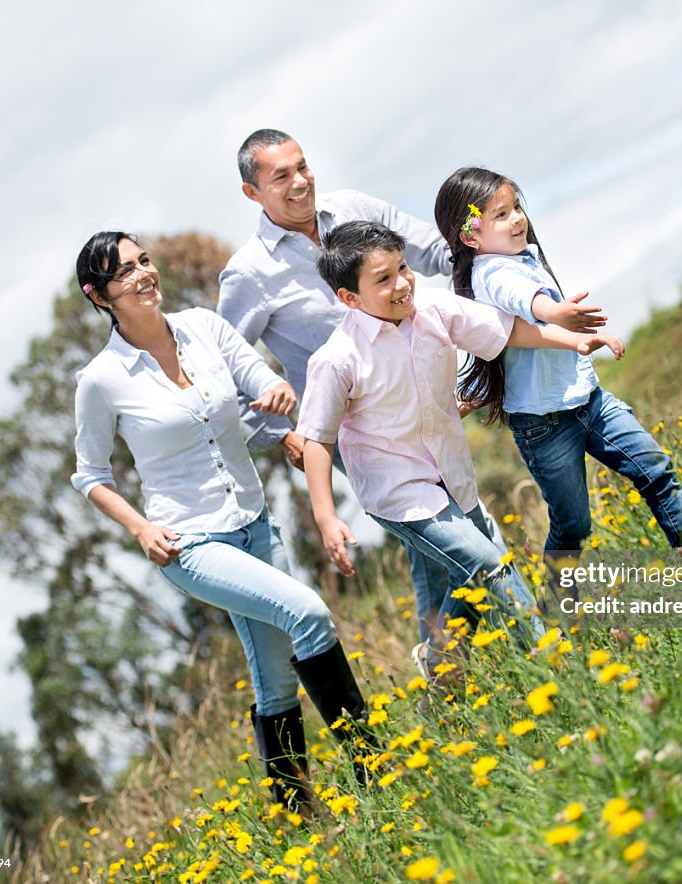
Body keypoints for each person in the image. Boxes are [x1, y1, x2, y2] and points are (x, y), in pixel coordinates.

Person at [70, 231, 376, 810]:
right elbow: (89, 474)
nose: (144, 275)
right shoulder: (101, 379)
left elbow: (258, 378)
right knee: (308, 614)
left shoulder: (204, 328)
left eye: (144, 261)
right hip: (191, 542)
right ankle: (375, 769)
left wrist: (278, 391)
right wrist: (140, 528)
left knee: (276, 675)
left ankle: (296, 812)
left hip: (255, 522)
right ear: (100, 295)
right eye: (125, 272)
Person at [295, 221, 625, 675]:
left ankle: (440, 662)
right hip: (400, 492)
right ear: (350, 299)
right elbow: (317, 438)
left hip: (451, 471)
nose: (402, 284)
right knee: (490, 563)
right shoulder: (337, 358)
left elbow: (504, 331)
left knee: (465, 571)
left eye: (403, 268)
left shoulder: (432, 307)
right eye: (383, 279)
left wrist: (574, 340)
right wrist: (326, 517)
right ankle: (557, 661)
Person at [216, 128, 501, 647]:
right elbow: (224, 369)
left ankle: (448, 662)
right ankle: (472, 650)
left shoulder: (353, 208)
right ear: (252, 192)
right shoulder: (249, 274)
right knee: (434, 528)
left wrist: (495, 243)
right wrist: (282, 436)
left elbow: (434, 251)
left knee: (445, 531)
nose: (300, 182)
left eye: (302, 167)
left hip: (417, 394)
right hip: (352, 428)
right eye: (281, 176)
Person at [433, 167, 682, 563]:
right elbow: (524, 299)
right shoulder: (490, 273)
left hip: (589, 401)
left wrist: (574, 335)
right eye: (500, 215)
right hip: (544, 425)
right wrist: (558, 312)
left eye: (515, 208)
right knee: (573, 525)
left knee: (654, 469)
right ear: (471, 236)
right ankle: (560, 609)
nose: (517, 219)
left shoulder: (524, 258)